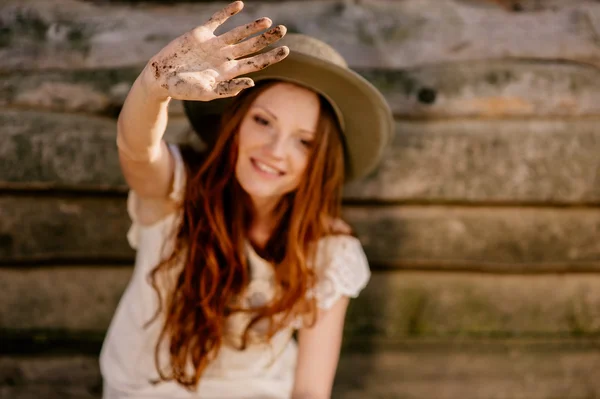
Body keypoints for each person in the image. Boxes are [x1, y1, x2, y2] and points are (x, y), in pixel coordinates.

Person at [99, 1, 393, 398]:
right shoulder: (177, 191)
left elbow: (310, 389)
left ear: (318, 162)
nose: (275, 150)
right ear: (235, 124)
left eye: (303, 142)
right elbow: (136, 150)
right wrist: (153, 87)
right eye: (263, 121)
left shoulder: (329, 251)